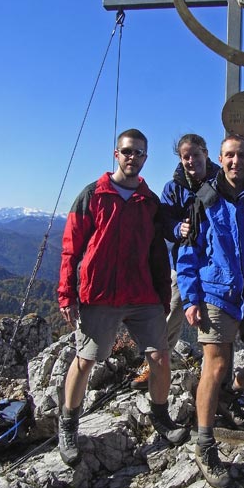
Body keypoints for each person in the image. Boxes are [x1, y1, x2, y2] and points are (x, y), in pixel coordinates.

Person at [57, 128, 189, 467]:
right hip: (100, 294)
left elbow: (159, 253)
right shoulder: (93, 195)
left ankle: (161, 417)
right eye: (127, 151)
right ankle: (68, 424)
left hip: (142, 293)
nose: (133, 157)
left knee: (160, 358)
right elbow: (71, 248)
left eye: (139, 153)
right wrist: (66, 293)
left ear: (146, 158)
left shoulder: (149, 202)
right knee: (85, 361)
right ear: (116, 154)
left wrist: (161, 296)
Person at [176, 134, 244, 488]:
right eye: (229, 155)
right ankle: (205, 444)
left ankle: (231, 391)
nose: (235, 161)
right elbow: (188, 255)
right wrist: (191, 299)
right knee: (216, 363)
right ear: (219, 159)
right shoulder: (204, 200)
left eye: (241, 155)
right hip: (215, 294)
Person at [129, 133, 220, 389]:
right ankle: (153, 364)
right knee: (170, 314)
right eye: (185, 156)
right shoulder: (173, 187)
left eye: (195, 154)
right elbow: (164, 221)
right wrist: (178, 227)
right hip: (182, 263)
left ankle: (213, 380)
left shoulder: (222, 180)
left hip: (216, 263)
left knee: (218, 320)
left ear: (206, 153)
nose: (191, 160)